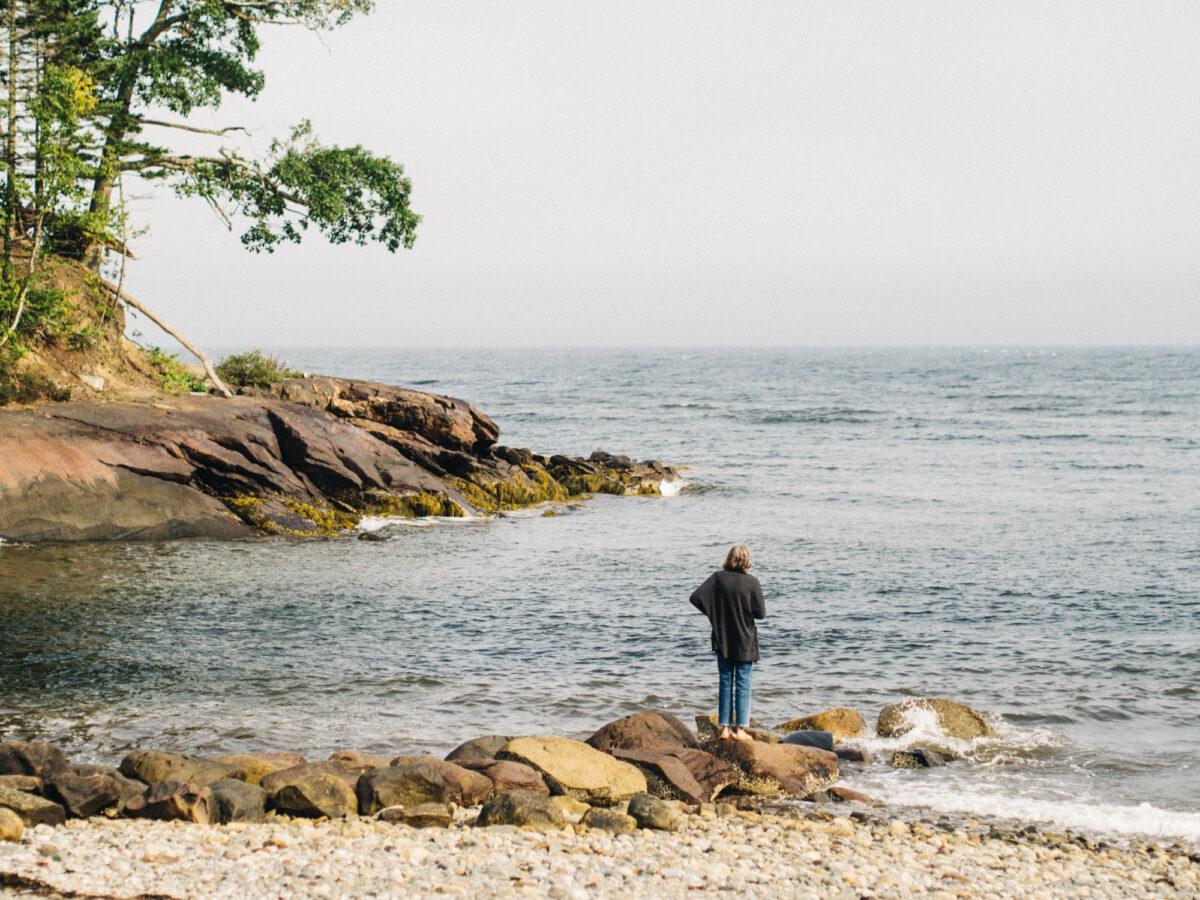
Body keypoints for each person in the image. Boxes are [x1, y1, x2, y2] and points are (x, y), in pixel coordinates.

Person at [689, 543, 765, 741]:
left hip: (722, 637)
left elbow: (695, 597)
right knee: (743, 682)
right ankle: (740, 730)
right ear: (747, 560)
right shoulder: (752, 582)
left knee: (725, 681)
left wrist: (714, 615)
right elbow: (761, 613)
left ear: (729, 558)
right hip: (745, 639)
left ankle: (724, 729)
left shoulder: (717, 578)